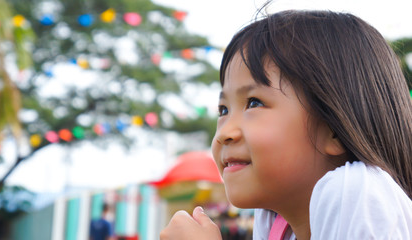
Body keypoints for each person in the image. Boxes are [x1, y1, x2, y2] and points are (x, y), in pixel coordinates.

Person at [160, 5, 412, 240]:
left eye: (254, 103)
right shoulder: (275, 221)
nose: (224, 133)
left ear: (334, 129)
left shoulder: (358, 192)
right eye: (223, 109)